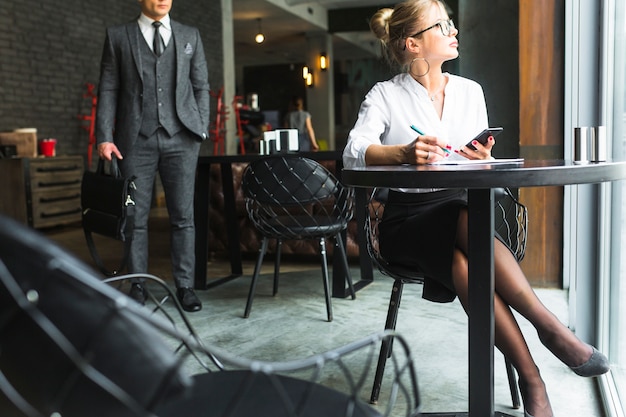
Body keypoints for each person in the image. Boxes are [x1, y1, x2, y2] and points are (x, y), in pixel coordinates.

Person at [342, 1, 609, 416]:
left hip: (462, 210)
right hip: (406, 221)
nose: (453, 30)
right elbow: (354, 152)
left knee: (465, 262)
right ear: (413, 43)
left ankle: (532, 377)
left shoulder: (470, 92)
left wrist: (477, 158)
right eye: (441, 25)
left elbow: (474, 164)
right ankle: (550, 329)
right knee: (464, 223)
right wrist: (402, 153)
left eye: (451, 22)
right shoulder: (385, 95)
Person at [95, 0, 210, 312]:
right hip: (134, 140)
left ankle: (185, 286)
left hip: (182, 139)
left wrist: (200, 127)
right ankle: (137, 285)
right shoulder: (118, 36)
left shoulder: (190, 35)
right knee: (135, 218)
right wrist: (104, 136)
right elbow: (108, 88)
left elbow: (201, 87)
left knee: (183, 217)